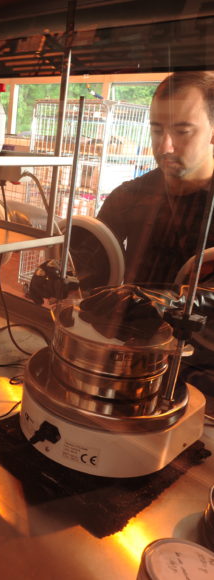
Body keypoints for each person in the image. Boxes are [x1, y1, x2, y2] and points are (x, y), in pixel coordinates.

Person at [97, 70, 214, 394]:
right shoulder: (129, 196)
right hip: (132, 361)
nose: (164, 146)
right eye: (156, 129)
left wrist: (183, 301)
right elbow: (91, 264)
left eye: (182, 131)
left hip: (205, 373)